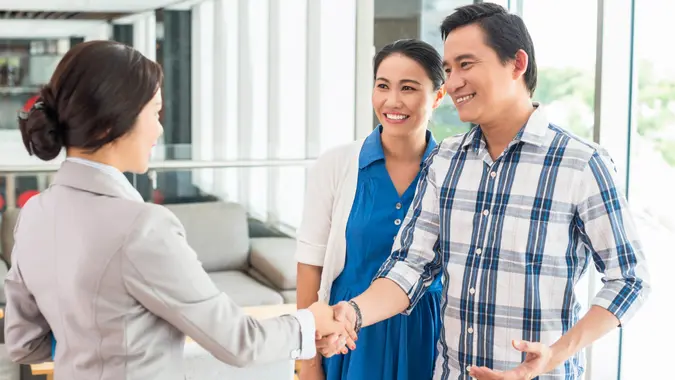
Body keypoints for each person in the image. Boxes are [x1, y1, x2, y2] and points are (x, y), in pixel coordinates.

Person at [324, 3, 651, 380]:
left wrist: (556, 354)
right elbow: (411, 265)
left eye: (466, 64)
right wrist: (354, 312)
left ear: (517, 64)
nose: (454, 81)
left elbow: (630, 278)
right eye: (448, 69)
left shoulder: (580, 163)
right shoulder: (445, 161)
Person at [4, 40, 352, 380]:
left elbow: (23, 343)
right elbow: (239, 342)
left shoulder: (33, 214)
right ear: (110, 123)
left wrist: (92, 342)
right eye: (154, 113)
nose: (159, 129)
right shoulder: (140, 227)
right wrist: (311, 323)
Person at [295, 39, 446, 380]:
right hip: (347, 334)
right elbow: (309, 265)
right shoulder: (336, 165)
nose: (393, 101)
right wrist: (308, 362)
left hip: (426, 333)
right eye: (383, 86)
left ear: (438, 96)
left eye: (408, 88)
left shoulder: (451, 170)